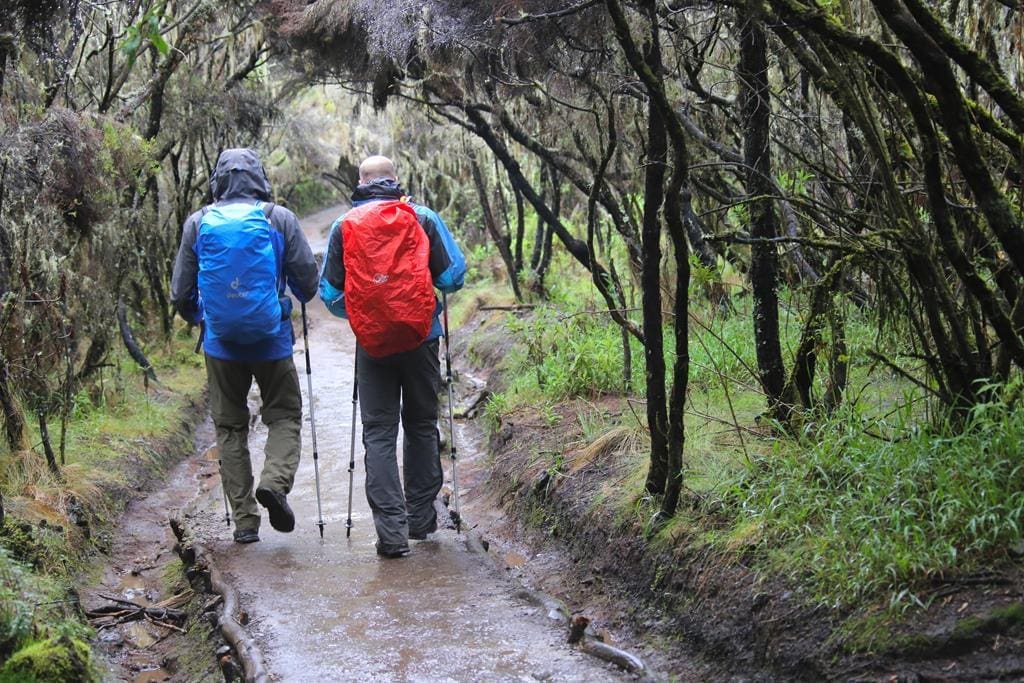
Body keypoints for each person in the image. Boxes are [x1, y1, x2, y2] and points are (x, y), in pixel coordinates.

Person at [319, 155, 466, 558]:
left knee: (379, 433)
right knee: (420, 425)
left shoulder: (343, 226)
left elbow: (330, 295)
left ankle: (392, 534)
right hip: (422, 339)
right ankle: (421, 521)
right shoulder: (422, 217)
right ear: (396, 180)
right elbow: (453, 277)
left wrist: (369, 310)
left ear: (360, 182)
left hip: (372, 346)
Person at [171, 148, 319, 544]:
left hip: (221, 345)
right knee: (285, 415)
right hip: (271, 340)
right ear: (260, 180)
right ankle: (274, 483)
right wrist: (287, 299)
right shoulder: (279, 218)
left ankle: (245, 523)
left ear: (218, 181)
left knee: (231, 428)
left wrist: (203, 318)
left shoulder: (198, 222)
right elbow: (308, 284)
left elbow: (181, 292)